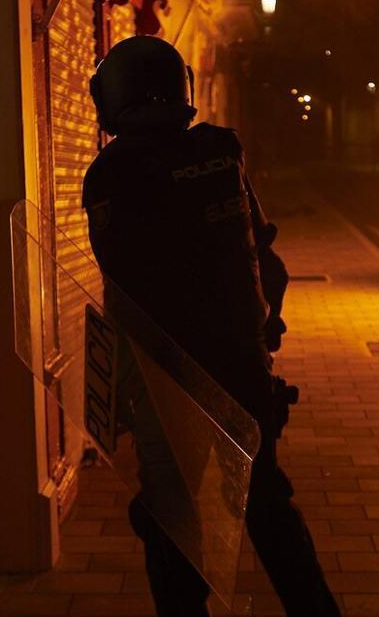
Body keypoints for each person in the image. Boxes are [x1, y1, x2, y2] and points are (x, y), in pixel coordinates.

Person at [81, 35, 339, 617]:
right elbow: (265, 260)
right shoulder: (222, 155)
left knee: (175, 521)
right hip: (243, 371)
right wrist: (265, 330)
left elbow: (123, 282)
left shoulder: (113, 174)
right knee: (265, 504)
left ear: (116, 95)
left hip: (169, 382)